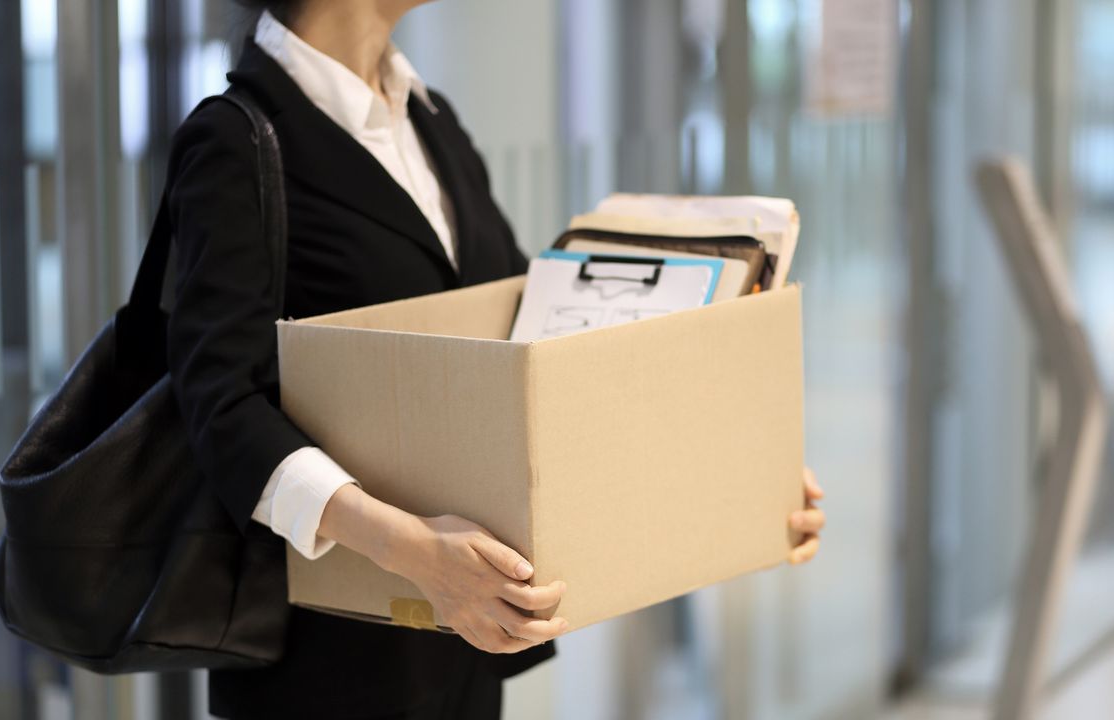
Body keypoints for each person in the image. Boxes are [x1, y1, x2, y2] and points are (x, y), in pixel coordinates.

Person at [164, 1, 828, 718]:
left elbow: (532, 349)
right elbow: (221, 406)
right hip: (327, 654)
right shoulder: (234, 141)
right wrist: (415, 552)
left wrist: (733, 474)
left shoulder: (429, 121)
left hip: (464, 636)